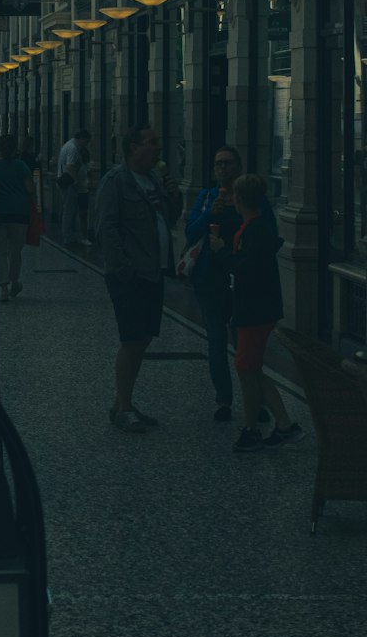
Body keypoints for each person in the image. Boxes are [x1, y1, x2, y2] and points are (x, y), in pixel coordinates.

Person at [95, 125, 183, 433]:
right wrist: (123, 267)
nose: (159, 147)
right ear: (134, 147)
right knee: (132, 339)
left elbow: (169, 218)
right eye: (152, 142)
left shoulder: (154, 180)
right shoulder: (116, 181)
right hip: (130, 274)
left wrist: (175, 196)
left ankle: (123, 403)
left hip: (154, 270)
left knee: (143, 338)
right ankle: (125, 407)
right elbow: (106, 227)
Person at [210, 174, 305, 453]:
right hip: (256, 307)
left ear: (239, 199)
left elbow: (245, 269)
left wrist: (221, 251)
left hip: (254, 309)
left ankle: (282, 424)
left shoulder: (253, 231)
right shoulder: (258, 225)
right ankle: (260, 427)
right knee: (250, 368)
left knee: (246, 367)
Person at [183, 145, 247, 421]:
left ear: (238, 166)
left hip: (241, 279)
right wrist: (210, 213)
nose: (222, 168)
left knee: (243, 343)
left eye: (228, 163)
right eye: (218, 164)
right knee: (217, 341)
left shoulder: (248, 196)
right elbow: (190, 231)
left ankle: (256, 399)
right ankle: (224, 400)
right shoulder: (207, 196)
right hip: (209, 278)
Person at [0, 133, 36, 302]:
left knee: (0, 251)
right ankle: (14, 281)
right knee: (15, 251)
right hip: (19, 212)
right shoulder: (22, 166)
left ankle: (3, 289)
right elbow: (30, 189)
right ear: (15, 148)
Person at [57, 128, 92, 245]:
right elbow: (70, 167)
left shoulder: (69, 145)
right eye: (86, 141)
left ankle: (67, 234)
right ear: (82, 139)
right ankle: (68, 237)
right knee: (69, 211)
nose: (86, 144)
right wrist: (76, 183)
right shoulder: (73, 149)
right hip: (69, 184)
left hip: (63, 182)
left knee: (67, 210)